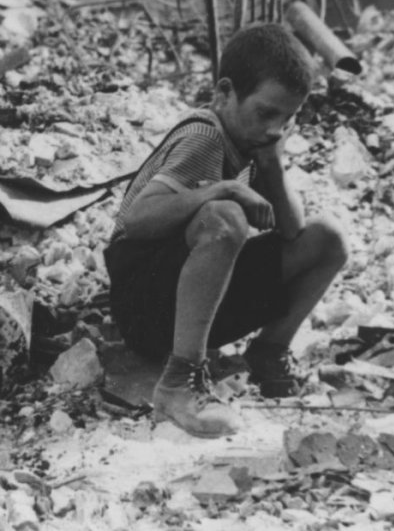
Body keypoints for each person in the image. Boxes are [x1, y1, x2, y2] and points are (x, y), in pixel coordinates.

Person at [103, 22, 348, 438]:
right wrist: (222, 189)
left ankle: (268, 352)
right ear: (224, 92)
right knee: (224, 217)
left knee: (327, 239)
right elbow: (136, 220)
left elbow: (293, 232)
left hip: (189, 305)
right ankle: (179, 382)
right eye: (266, 113)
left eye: (287, 119)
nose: (275, 129)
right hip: (142, 306)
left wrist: (271, 162)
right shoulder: (205, 137)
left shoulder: (251, 143)